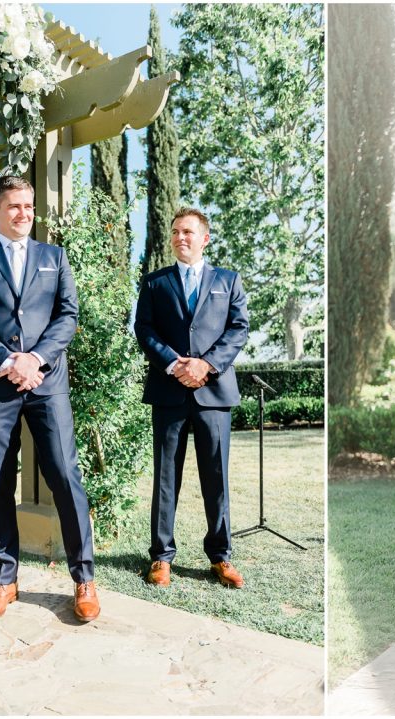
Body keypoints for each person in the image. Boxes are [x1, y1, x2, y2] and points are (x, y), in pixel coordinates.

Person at [0, 175, 99, 622]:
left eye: (29, 206)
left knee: (66, 478)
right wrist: (7, 361)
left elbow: (67, 314)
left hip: (46, 383)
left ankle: (84, 579)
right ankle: (5, 580)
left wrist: (35, 359)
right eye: (14, 206)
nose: (23, 214)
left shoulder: (55, 257)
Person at [134, 207, 249, 589]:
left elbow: (237, 329)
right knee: (166, 478)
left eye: (188, 232)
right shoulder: (154, 283)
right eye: (175, 232)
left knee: (216, 478)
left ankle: (221, 556)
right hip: (169, 393)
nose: (180, 238)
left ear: (205, 238)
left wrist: (206, 366)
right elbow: (145, 330)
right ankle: (161, 557)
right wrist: (174, 365)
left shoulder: (229, 282)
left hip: (214, 394)